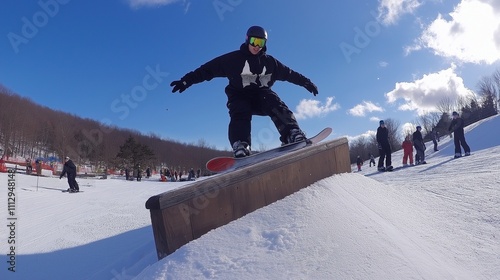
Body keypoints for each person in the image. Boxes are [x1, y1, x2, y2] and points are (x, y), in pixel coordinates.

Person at [170, 26, 318, 158]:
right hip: (239, 96)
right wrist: (186, 80)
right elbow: (207, 70)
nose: (256, 46)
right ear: (247, 40)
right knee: (240, 109)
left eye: (261, 43)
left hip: (261, 98)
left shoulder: (271, 63)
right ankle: (241, 144)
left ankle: (291, 133)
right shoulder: (232, 60)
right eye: (254, 42)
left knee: (273, 100)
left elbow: (290, 74)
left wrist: (306, 82)